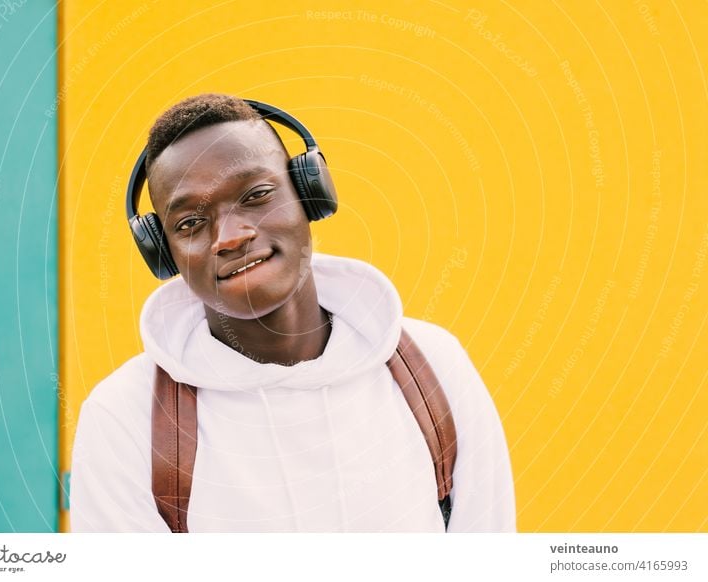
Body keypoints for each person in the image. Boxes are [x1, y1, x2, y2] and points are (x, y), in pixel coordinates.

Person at [70, 93, 515, 532]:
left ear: (309, 192)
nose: (230, 236)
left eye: (256, 195)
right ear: (163, 252)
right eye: (189, 223)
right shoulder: (124, 418)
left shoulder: (432, 366)